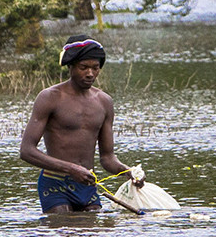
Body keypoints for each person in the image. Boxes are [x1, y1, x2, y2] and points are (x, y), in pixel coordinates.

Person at [20, 35, 141, 214]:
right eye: (83, 67)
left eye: (95, 68)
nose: (90, 73)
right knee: (63, 226)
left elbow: (107, 158)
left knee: (92, 232)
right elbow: (26, 151)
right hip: (55, 183)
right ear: (70, 67)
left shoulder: (104, 101)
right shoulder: (50, 97)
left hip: (87, 185)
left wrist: (129, 172)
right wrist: (71, 168)